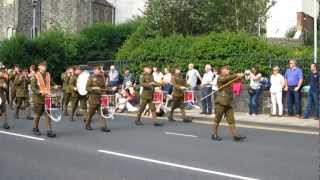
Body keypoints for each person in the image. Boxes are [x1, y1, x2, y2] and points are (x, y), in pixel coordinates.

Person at [212, 66, 246, 142]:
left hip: (229, 102)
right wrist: (237, 75)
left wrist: (241, 77)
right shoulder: (220, 78)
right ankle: (214, 134)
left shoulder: (231, 78)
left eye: (228, 69)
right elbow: (226, 79)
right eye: (226, 69)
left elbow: (237, 86)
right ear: (222, 71)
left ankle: (235, 136)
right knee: (217, 119)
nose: (228, 70)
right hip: (221, 102)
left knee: (231, 120)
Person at [31, 61, 58, 137]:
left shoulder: (48, 75)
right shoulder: (35, 75)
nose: (45, 67)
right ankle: (35, 128)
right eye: (43, 66)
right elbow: (33, 87)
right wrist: (39, 91)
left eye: (45, 66)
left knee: (48, 114)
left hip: (47, 97)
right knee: (38, 114)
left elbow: (52, 82)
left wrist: (55, 85)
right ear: (39, 67)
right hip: (38, 98)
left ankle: (49, 130)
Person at [85, 65, 111, 132]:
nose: (99, 71)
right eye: (97, 69)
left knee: (103, 113)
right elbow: (87, 88)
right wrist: (93, 88)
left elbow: (104, 87)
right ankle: (87, 124)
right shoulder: (91, 77)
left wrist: (109, 89)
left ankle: (104, 127)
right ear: (94, 71)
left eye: (99, 70)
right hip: (93, 98)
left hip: (100, 98)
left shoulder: (102, 77)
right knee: (91, 113)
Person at [0, 64, 10, 129]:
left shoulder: (6, 77)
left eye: (4, 69)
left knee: (4, 109)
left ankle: (5, 123)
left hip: (2, 94)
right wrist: (1, 85)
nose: (3, 70)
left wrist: (7, 98)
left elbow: (7, 88)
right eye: (2, 69)